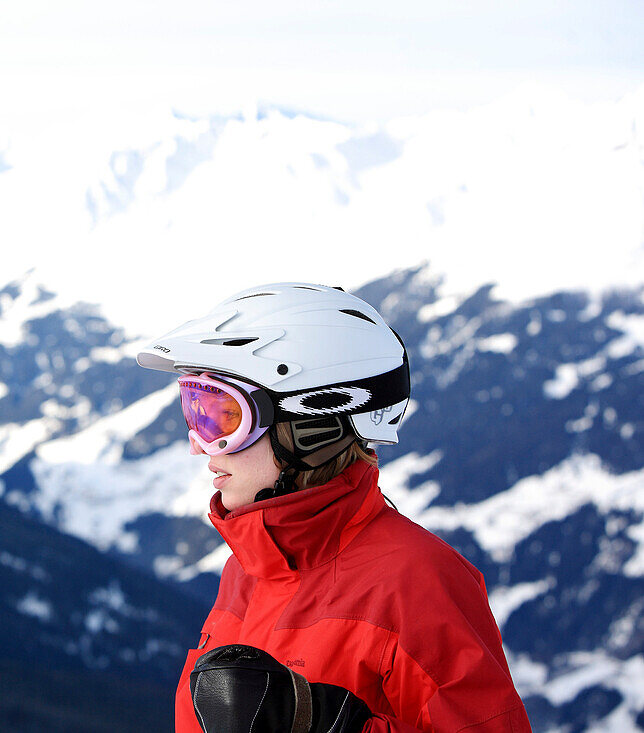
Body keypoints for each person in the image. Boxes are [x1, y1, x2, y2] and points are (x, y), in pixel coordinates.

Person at [136, 283, 531, 733]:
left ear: (310, 426)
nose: (202, 446)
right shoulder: (245, 570)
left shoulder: (418, 582)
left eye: (224, 415)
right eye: (196, 411)